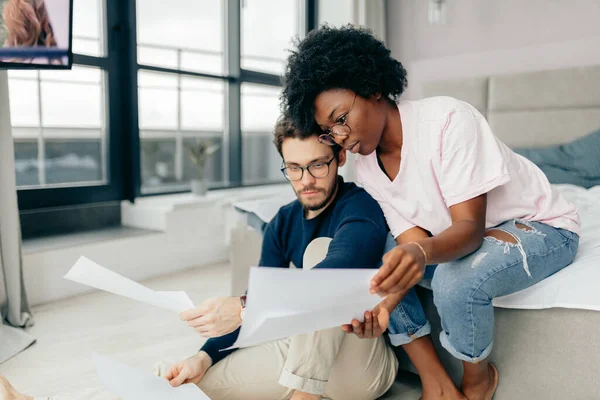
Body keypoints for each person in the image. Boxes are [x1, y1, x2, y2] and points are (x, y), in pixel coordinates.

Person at [0, 118, 399, 400]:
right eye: (294, 168)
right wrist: (204, 355)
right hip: (304, 355)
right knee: (180, 385)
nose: (306, 180)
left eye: (317, 165)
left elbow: (332, 279)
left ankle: (304, 396)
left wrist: (243, 308)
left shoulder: (359, 207)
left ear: (339, 160)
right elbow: (257, 299)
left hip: (359, 370)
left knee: (316, 263)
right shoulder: (283, 221)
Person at [281, 25, 581, 400]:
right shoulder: (367, 166)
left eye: (341, 119)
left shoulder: (449, 121)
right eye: (329, 132)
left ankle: (478, 382)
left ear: (372, 87)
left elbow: (468, 231)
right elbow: (412, 244)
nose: (340, 138)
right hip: (461, 235)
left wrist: (418, 254)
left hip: (540, 226)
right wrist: (385, 305)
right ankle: (438, 384)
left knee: (455, 281)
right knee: (380, 252)